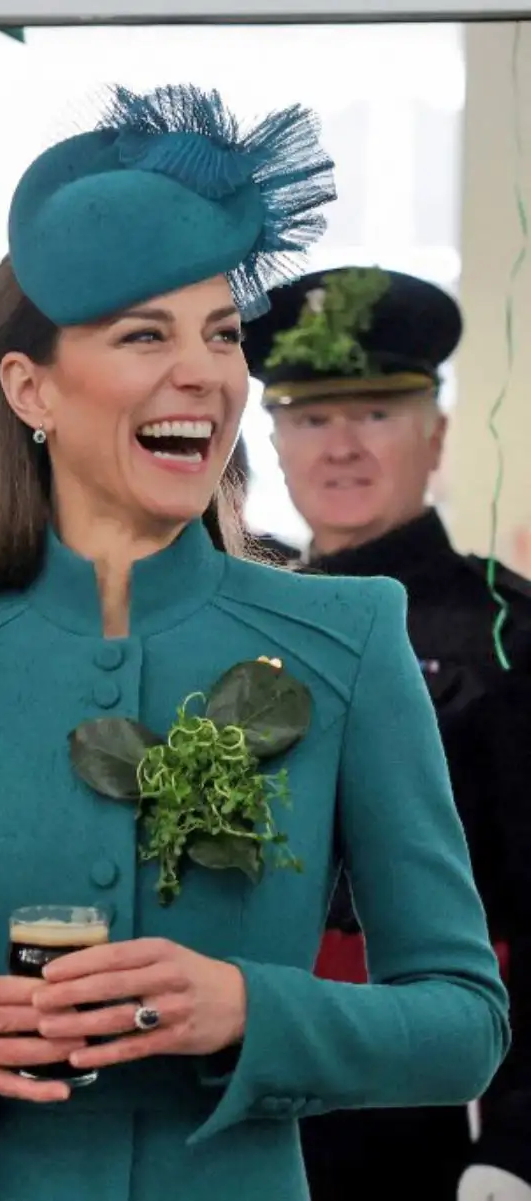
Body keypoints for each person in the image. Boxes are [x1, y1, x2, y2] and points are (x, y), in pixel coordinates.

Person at [0, 83, 509, 1201]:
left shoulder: (348, 636)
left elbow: (462, 1018)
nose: (203, 371)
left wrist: (254, 1010)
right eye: (145, 333)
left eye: (221, 333)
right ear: (31, 387)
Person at [245, 265, 531, 1201]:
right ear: (275, 438)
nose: (341, 446)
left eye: (375, 412)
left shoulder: (506, 632)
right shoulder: (235, 623)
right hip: (240, 1098)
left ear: (436, 430)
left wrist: (521, 1141)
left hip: (433, 1113)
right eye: (311, 415)